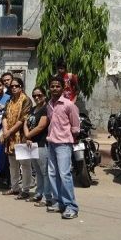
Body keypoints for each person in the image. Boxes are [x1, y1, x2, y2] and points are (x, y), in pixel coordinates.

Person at [46, 76, 80, 219]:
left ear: (62, 88)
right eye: (52, 86)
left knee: (64, 175)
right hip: (51, 143)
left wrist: (73, 139)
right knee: (52, 174)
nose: (54, 89)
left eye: (57, 86)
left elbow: (75, 125)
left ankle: (71, 206)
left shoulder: (69, 105)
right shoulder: (49, 105)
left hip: (64, 144)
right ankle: (58, 201)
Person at [1, 78, 33, 199]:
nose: (14, 88)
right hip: (10, 138)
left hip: (22, 136)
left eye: (16, 86)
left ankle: (25, 189)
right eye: (12, 86)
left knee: (24, 164)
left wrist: (9, 131)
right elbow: (4, 115)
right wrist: (5, 131)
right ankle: (14, 187)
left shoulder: (26, 100)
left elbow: (23, 119)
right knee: (12, 164)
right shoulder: (9, 100)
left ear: (21, 87)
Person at [23, 86, 52, 207]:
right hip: (31, 144)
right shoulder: (33, 109)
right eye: (34, 95)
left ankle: (47, 197)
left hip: (41, 144)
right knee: (38, 171)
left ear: (44, 95)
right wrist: (28, 137)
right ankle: (38, 193)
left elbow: (41, 126)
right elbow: (25, 122)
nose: (37, 97)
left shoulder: (46, 109)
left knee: (45, 171)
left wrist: (28, 136)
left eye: (39, 95)